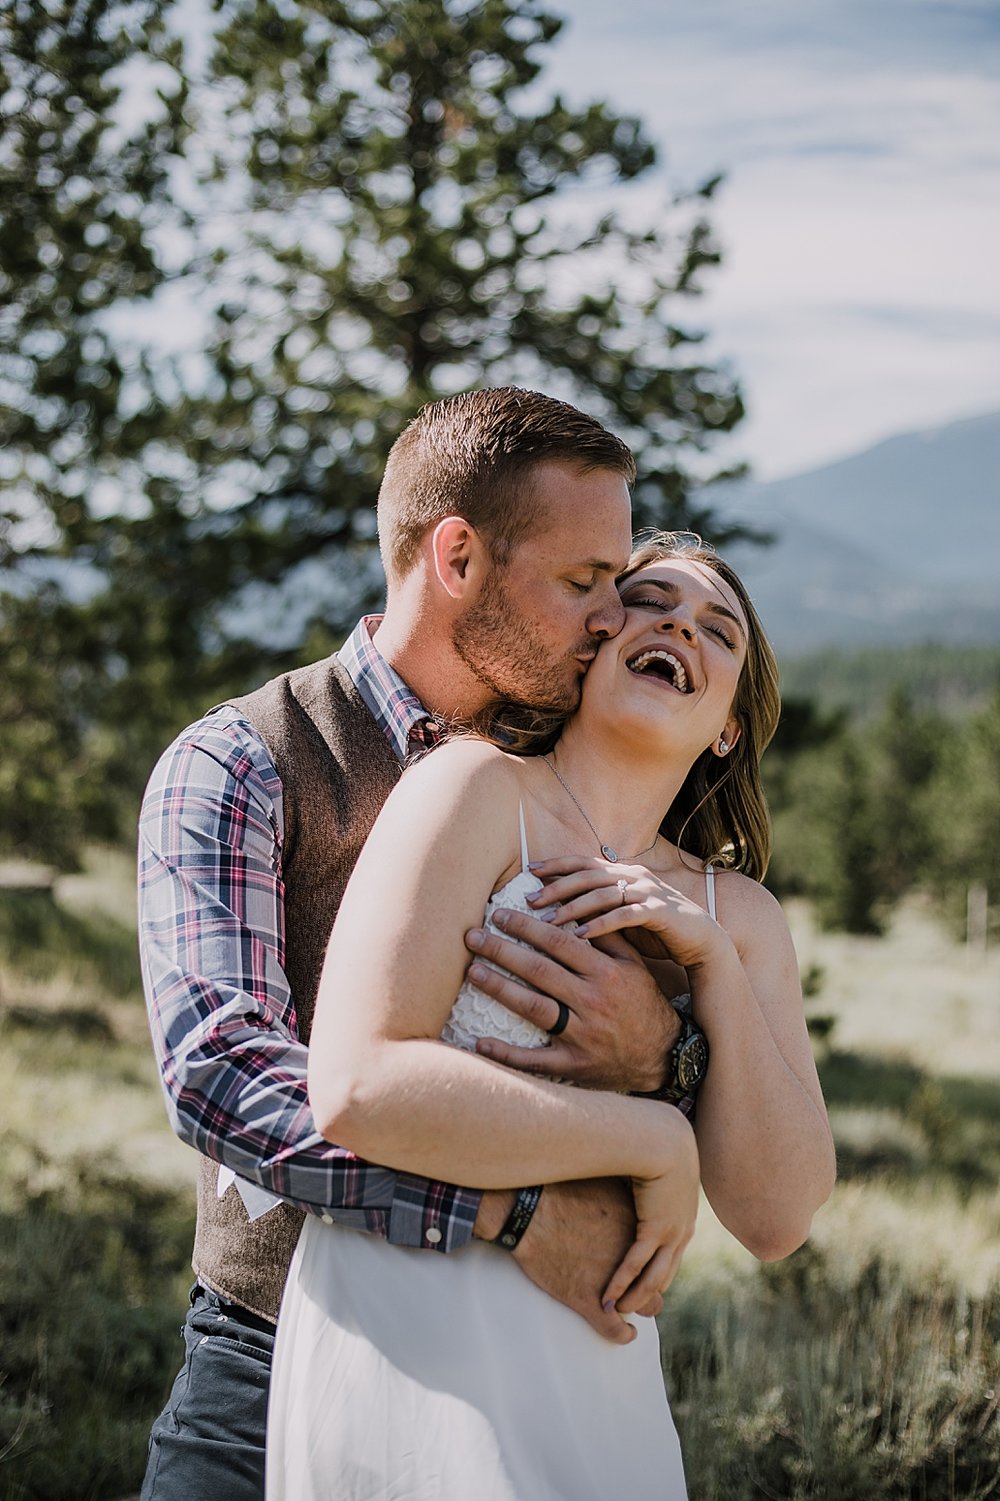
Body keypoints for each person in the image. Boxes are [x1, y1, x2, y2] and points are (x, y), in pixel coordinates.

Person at [137, 388, 709, 1501]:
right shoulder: (244, 762)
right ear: (456, 555)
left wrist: (663, 1056)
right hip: (263, 1356)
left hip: (527, 1370)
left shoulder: (581, 778)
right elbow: (222, 1074)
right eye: (582, 582)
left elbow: (709, 1080)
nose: (612, 618)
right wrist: (502, 1212)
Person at [264, 531, 836, 1499]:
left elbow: (776, 1216)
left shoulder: (742, 919)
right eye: (648, 602)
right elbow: (359, 1087)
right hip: (406, 1329)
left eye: (715, 629)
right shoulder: (474, 788)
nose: (676, 628)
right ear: (596, 641)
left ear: (728, 727)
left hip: (594, 1361)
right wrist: (654, 1138)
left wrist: (714, 971)